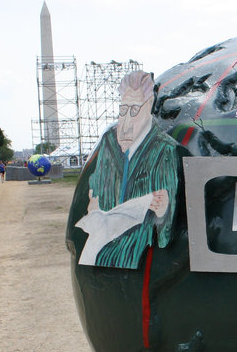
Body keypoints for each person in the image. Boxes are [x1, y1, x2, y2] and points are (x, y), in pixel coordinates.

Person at [77, 70, 180, 269]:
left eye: (134, 110)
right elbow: (97, 190)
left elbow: (166, 220)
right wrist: (94, 203)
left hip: (137, 243)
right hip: (103, 239)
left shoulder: (164, 149)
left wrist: (163, 209)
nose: (127, 119)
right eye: (123, 110)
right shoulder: (109, 141)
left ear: (148, 105)